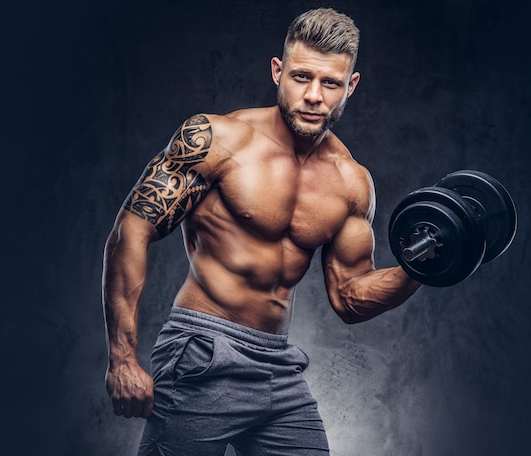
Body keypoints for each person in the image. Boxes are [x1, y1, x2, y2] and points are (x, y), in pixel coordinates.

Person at [102, 7, 421, 456]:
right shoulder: (217, 140)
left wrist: (424, 267)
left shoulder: (352, 182)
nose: (313, 95)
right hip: (202, 352)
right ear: (277, 71)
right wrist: (122, 358)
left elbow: (349, 297)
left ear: (350, 86)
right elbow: (130, 230)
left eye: (330, 83)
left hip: (278, 366)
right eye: (301, 77)